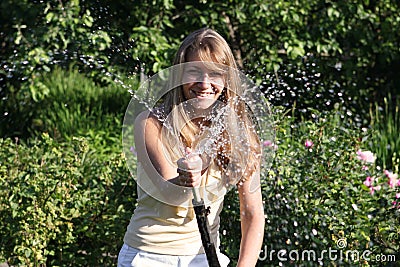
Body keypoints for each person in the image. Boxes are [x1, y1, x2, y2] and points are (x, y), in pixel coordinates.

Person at [118, 28, 265, 267]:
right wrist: (187, 177)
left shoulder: (240, 135)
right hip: (148, 257)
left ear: (227, 79)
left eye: (215, 74)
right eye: (194, 72)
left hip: (204, 258)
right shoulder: (150, 123)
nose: (204, 83)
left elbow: (253, 214)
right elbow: (170, 193)